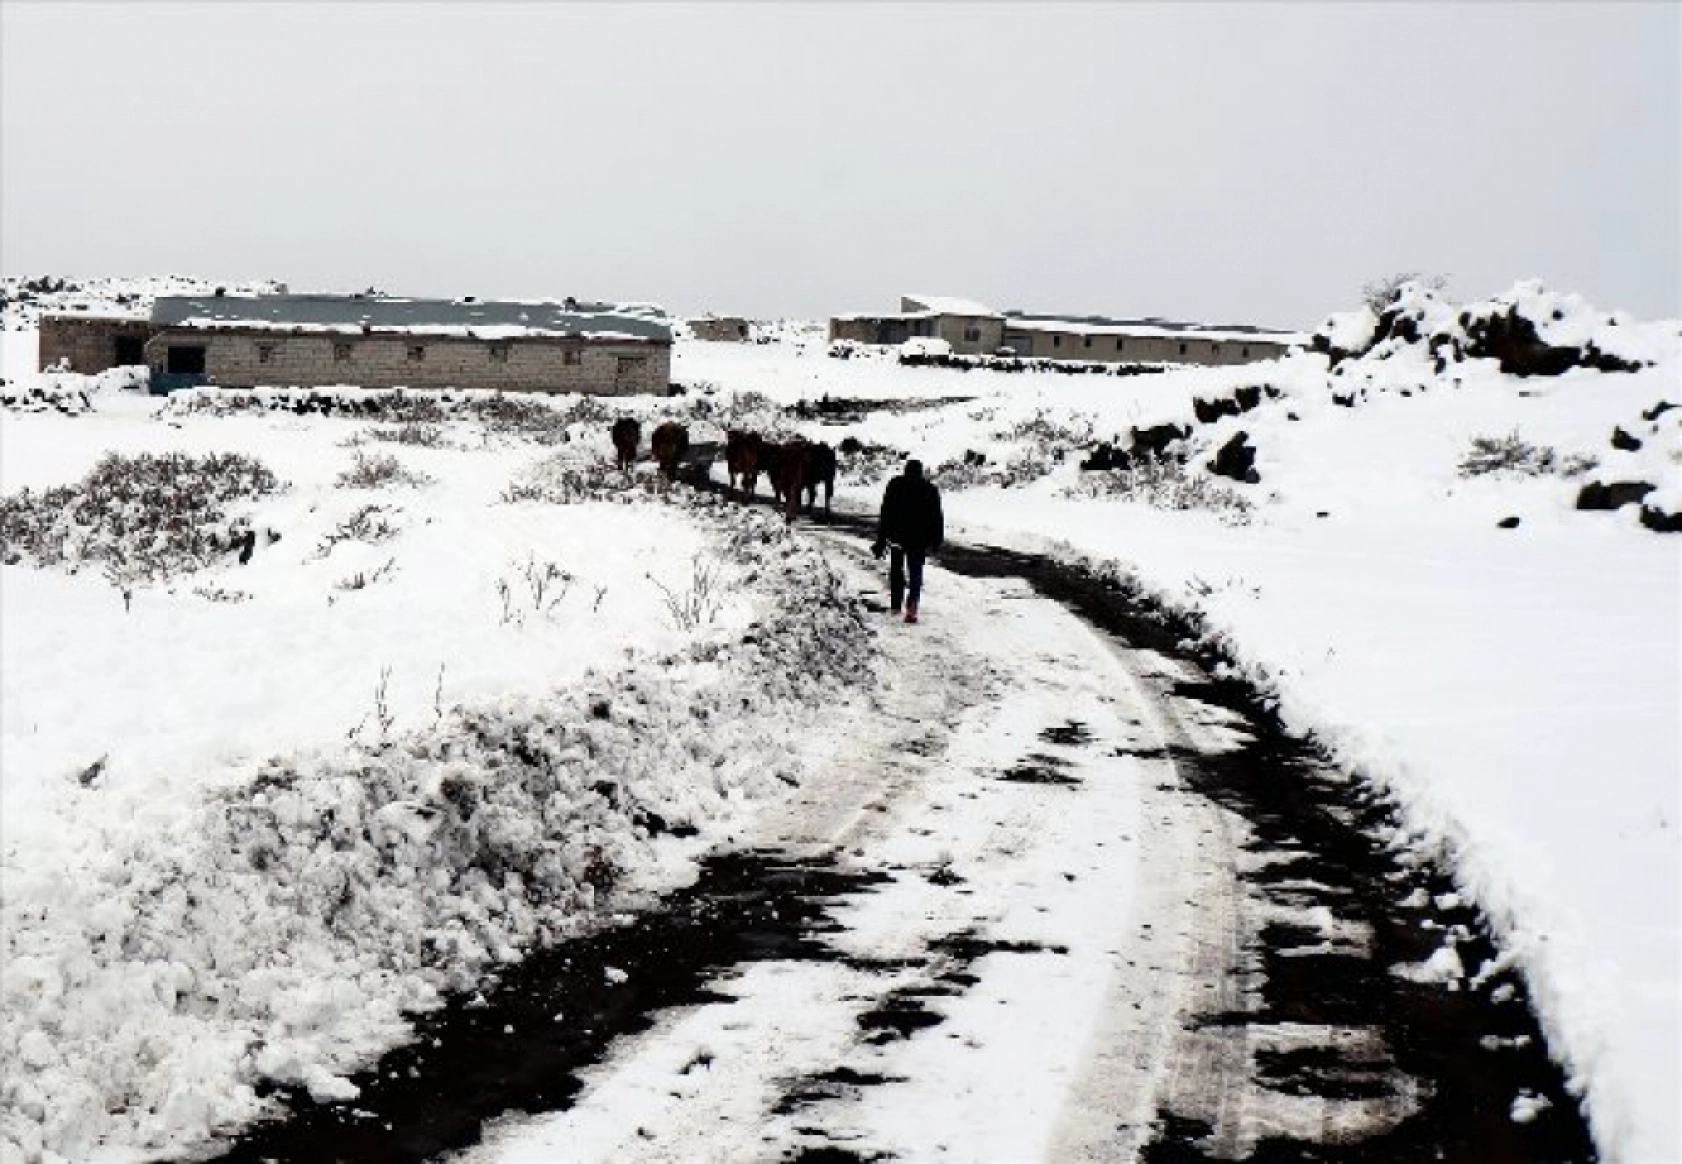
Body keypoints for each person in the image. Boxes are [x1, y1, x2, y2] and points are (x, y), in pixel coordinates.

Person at [872, 459, 944, 623]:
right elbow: (936, 517)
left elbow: (886, 513)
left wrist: (881, 539)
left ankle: (896, 604)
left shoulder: (895, 485)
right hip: (918, 540)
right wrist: (936, 540)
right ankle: (912, 607)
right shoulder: (929, 489)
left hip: (897, 537)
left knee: (897, 570)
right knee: (916, 572)